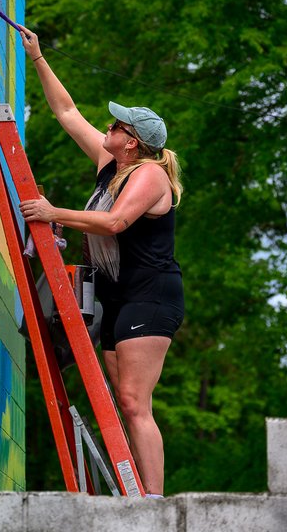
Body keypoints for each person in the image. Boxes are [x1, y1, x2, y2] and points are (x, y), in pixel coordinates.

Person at [16, 25, 184, 497]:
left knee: (134, 402)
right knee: (122, 402)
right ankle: (137, 492)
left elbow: (114, 224)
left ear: (132, 142)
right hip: (117, 296)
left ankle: (153, 502)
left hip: (150, 296)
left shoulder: (150, 175)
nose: (107, 129)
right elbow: (66, 112)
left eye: (116, 127)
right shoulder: (111, 163)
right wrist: (38, 59)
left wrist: (53, 214)